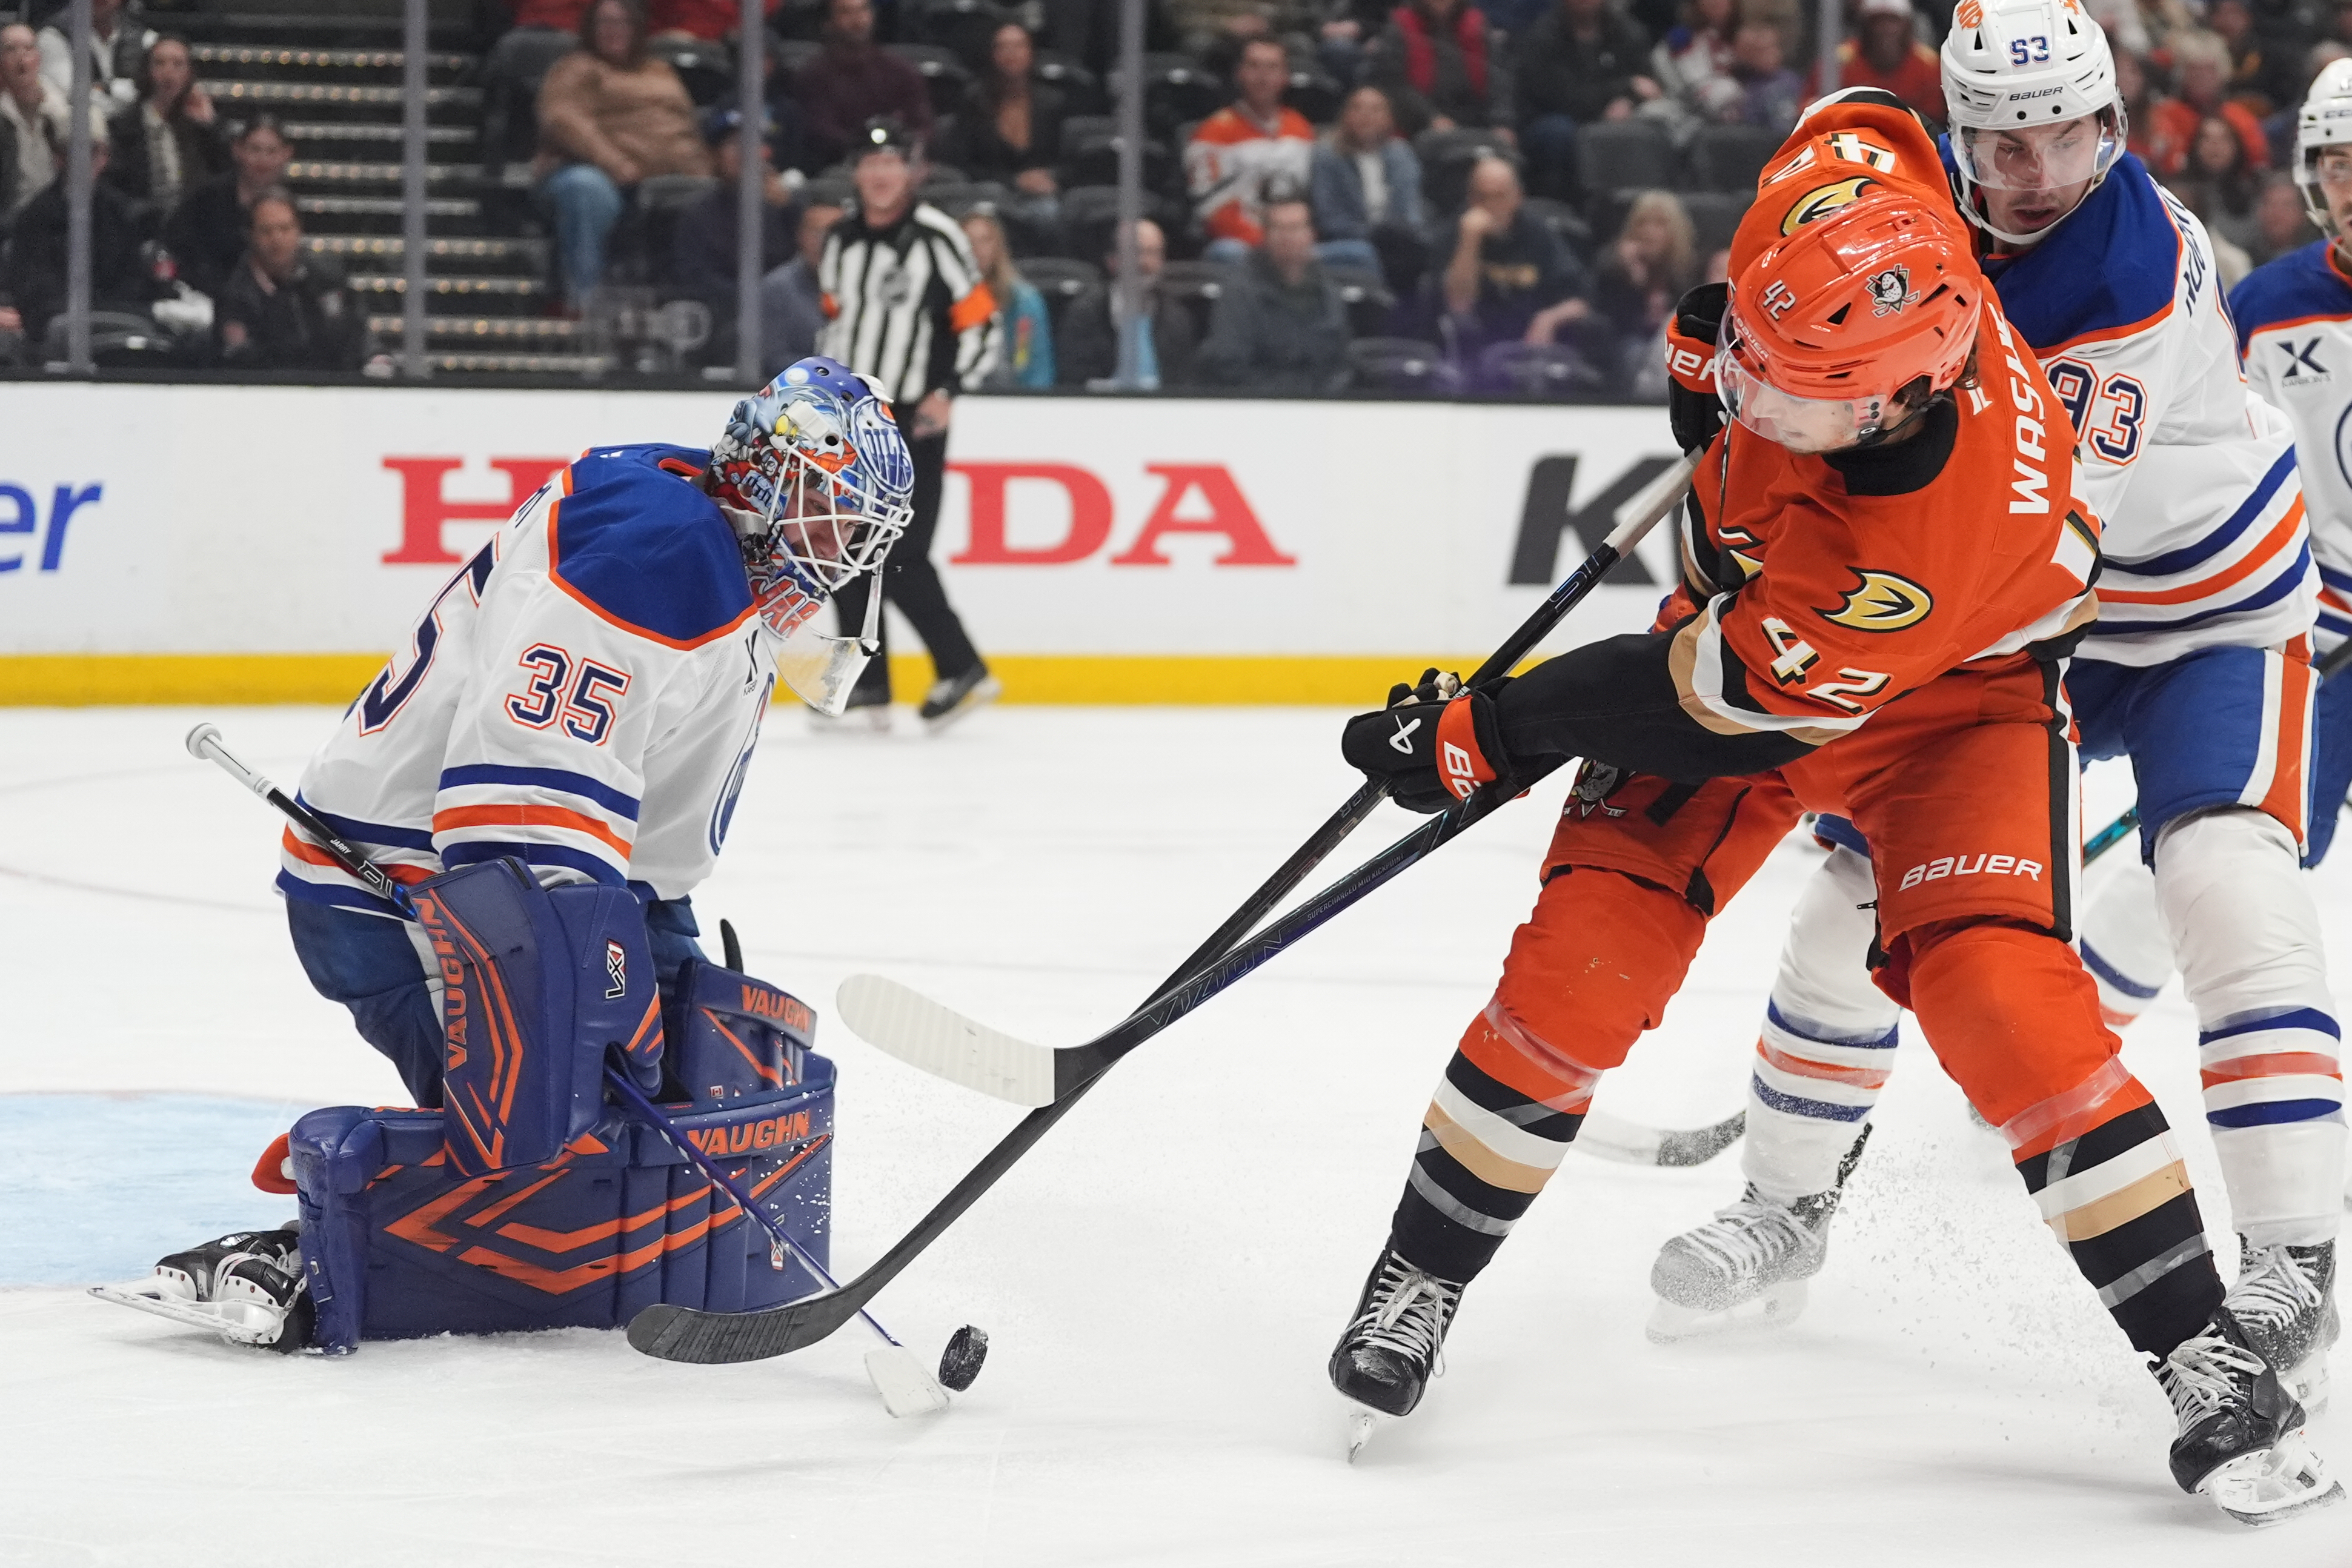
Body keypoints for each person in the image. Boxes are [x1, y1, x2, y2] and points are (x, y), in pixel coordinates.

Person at [1327, 81, 2337, 1528]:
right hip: (1750, 637)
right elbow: (1858, 114)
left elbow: (1702, 701)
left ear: (1907, 392)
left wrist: (1485, 729)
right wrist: (1708, 328)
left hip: (1940, 698)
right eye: (1756, 352)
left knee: (2005, 1005)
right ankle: (1418, 1267)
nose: (1752, 395)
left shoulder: (1929, 538)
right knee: (1575, 973)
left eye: (1790, 387)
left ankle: (2198, 1354)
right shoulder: (1853, 218)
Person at [1640, 5, 2344, 1519]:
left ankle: (2291, 1258)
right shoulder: (1926, 221)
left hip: (2194, 610)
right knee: (1846, 899)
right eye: (1998, 142)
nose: (2032, 171)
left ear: (2110, 125)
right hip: (2032, 622)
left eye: (2060, 136)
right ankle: (1783, 1205)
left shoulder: (2125, 272)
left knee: (2225, 877)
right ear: (1959, 136)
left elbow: (1991, 520)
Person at [113, 357, 912, 1353]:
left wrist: (651, 977)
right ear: (769, 477)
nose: (844, 549)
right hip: (418, 885)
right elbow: (520, 817)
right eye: (835, 512)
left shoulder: (717, 554)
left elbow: (640, 838)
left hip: (548, 874)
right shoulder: (656, 547)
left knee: (693, 1076)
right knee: (546, 1129)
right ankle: (309, 1239)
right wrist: (598, 999)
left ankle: (580, 1214)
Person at [817, 118, 1002, 731]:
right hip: (852, 420)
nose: (879, 174)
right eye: (869, 164)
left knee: (900, 552)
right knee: (845, 548)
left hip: (913, 418)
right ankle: (867, 683)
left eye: (892, 163)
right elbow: (836, 325)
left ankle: (963, 666)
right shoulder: (840, 239)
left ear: (912, 173)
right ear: (857, 173)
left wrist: (950, 391)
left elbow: (981, 322)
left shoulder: (935, 237)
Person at [2239, 58, 2352, 914]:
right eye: (2337, 162)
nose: (2348, 183)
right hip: (2319, 633)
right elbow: (2220, 475)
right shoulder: (2265, 309)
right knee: (2261, 855)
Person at [533, 0, 711, 311]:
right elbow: (562, 120)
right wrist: (614, 162)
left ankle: (690, 307)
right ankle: (584, 303)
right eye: (604, 23)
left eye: (621, 23)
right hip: (596, 172)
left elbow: (685, 126)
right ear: (590, 28)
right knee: (586, 189)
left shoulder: (661, 71)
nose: (612, 31)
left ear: (637, 29)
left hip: (667, 178)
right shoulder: (576, 67)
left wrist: (703, 170)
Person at [5, 125, 163, 348]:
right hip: (55, 315)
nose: (86, 161)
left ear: (105, 159)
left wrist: (109, 304)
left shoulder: (122, 212)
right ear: (60, 159)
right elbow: (32, 280)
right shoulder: (35, 215)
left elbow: (133, 274)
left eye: (94, 153)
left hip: (116, 309)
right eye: (76, 152)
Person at [1431, 153, 1589, 354]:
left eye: (1500, 196)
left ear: (1517, 197)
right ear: (1471, 199)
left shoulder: (1538, 233)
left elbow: (1580, 298)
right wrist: (1470, 242)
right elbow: (1458, 305)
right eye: (1482, 197)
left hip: (1530, 343)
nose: (1491, 206)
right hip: (1474, 345)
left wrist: (1549, 318)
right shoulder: (1455, 234)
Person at [1197, 192, 1351, 391]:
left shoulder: (1328, 291)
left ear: (1311, 235)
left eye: (1295, 228)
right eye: (1279, 229)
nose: (1287, 237)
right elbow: (1231, 367)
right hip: (1258, 406)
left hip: (1320, 408)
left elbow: (1340, 362)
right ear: (1266, 236)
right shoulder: (1239, 290)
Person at [1186, 37, 1315, 265]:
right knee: (1228, 253)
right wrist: (1267, 244)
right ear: (1240, 73)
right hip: (1242, 244)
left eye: (1272, 67)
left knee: (1354, 254)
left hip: (1297, 244)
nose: (1263, 76)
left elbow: (1313, 197)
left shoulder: (1301, 127)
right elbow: (1211, 208)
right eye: (1254, 66)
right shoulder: (1213, 131)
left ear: (1285, 77)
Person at [1513, 0, 1659, 199]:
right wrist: (1625, 87)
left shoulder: (1629, 31)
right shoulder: (1542, 36)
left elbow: (1648, 85)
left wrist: (1629, 101)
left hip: (1615, 118)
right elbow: (1565, 99)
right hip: (1554, 120)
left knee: (1651, 126)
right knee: (1559, 132)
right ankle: (1561, 207)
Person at [213, 187, 365, 371]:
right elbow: (241, 361)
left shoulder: (329, 276)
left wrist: (376, 360)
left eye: (285, 229)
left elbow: (358, 335)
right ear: (251, 235)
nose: (277, 239)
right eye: (266, 230)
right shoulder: (234, 296)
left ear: (299, 230)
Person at [934, 22, 1065, 228]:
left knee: (1048, 213)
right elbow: (962, 163)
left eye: (1019, 46)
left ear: (1031, 53)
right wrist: (1015, 181)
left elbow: (1065, 160)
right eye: (1003, 47)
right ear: (993, 54)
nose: (1011, 53)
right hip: (986, 190)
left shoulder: (1052, 102)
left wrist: (1047, 179)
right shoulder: (974, 101)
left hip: (1038, 196)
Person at [791, 0, 933, 173]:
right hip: (838, 168)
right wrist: (866, 151)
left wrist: (903, 150)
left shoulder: (900, 71)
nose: (857, 20)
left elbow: (922, 125)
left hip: (900, 164)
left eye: (863, 10)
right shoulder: (813, 76)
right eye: (846, 12)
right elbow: (820, 132)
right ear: (828, 23)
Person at [1056, 216, 1198, 388]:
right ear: (1112, 260)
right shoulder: (1084, 314)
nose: (1144, 262)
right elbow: (1073, 379)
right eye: (1136, 252)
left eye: (1153, 253)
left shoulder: (1177, 318)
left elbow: (1183, 384)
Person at [162, 113, 292, 299]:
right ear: (237, 150)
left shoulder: (287, 207)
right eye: (255, 150)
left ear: (286, 154)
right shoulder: (204, 200)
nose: (263, 160)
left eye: (272, 151)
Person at [669, 105, 794, 296]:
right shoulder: (698, 215)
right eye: (734, 143)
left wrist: (788, 211)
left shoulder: (787, 210)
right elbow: (696, 280)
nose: (744, 151)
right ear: (714, 155)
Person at [1309, 84, 1426, 280]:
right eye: (1358, 109)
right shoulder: (1327, 156)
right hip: (1351, 239)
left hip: (1398, 240)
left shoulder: (1401, 154)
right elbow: (1329, 219)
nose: (1367, 116)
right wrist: (1378, 237)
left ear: (1389, 118)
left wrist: (1400, 237)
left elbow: (1410, 208)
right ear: (1345, 115)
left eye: (1376, 110)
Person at [104, 33, 222, 220]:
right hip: (139, 225)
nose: (169, 72)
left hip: (191, 227)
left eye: (178, 64)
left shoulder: (202, 127)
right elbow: (113, 186)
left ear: (189, 73)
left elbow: (223, 173)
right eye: (160, 63)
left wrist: (210, 125)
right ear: (147, 70)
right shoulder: (123, 127)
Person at [1584, 187, 1694, 384]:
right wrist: (1634, 280)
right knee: (1633, 353)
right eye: (1642, 223)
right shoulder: (1613, 266)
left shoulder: (1688, 267)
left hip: (1677, 343)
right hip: (1627, 342)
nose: (1648, 231)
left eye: (1660, 223)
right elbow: (1608, 318)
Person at [1364, 0, 1515, 139]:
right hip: (1419, 124)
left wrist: (1502, 123)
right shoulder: (1401, 25)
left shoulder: (1477, 23)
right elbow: (1394, 85)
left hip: (1476, 119)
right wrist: (1432, 118)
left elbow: (1498, 78)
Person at [2147, 30, 2268, 178]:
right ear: (2182, 73)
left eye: (2209, 70)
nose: (2202, 77)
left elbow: (2259, 162)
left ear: (2223, 72)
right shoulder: (2163, 115)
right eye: (2194, 69)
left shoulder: (2240, 118)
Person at [1805, 0, 1942, 125]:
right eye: (1877, 21)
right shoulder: (1838, 63)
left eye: (1893, 21)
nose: (1885, 30)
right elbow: (1809, 110)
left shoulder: (1928, 65)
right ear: (1864, 26)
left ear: (1907, 26)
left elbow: (1935, 119)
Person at [961, 207, 1055, 389]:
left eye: (985, 241)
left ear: (998, 246)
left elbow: (1031, 368)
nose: (977, 250)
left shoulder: (1024, 301)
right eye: (969, 241)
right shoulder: (942, 298)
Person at [0, 21, 68, 227]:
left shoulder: (60, 111)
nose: (21, 59)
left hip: (57, 221)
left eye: (28, 49)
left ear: (39, 58)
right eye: (11, 50)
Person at [762, 195, 842, 367]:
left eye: (833, 232)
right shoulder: (776, 290)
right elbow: (772, 360)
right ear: (801, 236)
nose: (824, 242)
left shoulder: (867, 283)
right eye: (816, 232)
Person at [2170, 110, 2263, 255]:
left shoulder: (2254, 191)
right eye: (2207, 139)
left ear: (2237, 146)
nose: (2215, 146)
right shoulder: (2177, 194)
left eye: (2224, 139)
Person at [36, 0, 148, 109]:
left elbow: (153, 95)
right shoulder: (53, 36)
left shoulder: (143, 37)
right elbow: (73, 98)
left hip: (134, 126)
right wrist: (128, 100)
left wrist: (105, 88)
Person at [1650, 0, 1744, 127]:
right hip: (1692, 109)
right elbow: (1684, 87)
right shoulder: (1680, 41)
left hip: (1746, 106)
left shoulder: (1748, 33)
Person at [1726, 16, 1798, 133]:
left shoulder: (1792, 80)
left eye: (1772, 47)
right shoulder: (1743, 87)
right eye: (1761, 50)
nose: (1769, 55)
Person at [2248, 171, 2320, 266]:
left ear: (2302, 214)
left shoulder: (2318, 256)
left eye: (2286, 206)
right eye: (2270, 204)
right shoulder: (2245, 258)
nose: (2276, 213)